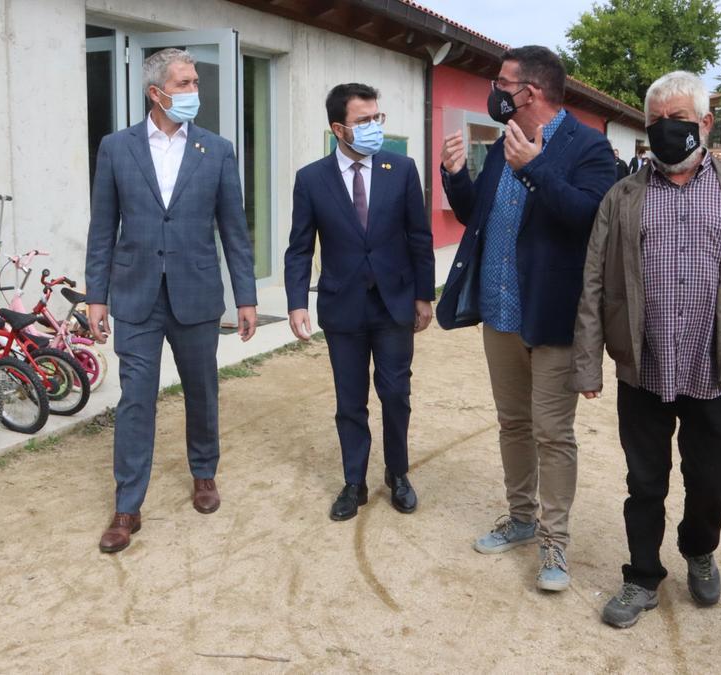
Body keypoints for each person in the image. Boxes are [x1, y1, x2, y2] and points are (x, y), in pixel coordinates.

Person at [571, 71, 721, 628]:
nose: (666, 131)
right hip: (644, 368)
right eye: (655, 122)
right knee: (645, 482)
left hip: (716, 371)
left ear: (706, 123)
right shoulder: (622, 197)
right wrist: (589, 362)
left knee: (711, 481)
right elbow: (593, 282)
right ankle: (640, 577)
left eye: (678, 120)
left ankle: (699, 548)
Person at [437, 46, 615, 591]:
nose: (496, 91)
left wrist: (533, 169)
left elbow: (590, 218)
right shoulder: (504, 141)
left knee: (552, 432)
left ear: (530, 91)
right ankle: (519, 518)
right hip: (500, 314)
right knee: (513, 423)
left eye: (501, 83)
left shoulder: (590, 147)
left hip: (553, 319)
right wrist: (456, 178)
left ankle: (554, 544)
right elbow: (479, 215)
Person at [84, 48, 258, 554]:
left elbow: (234, 229)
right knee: (136, 399)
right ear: (155, 93)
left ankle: (204, 473)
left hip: (197, 293)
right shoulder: (117, 148)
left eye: (195, 82)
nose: (193, 92)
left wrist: (245, 296)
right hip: (135, 294)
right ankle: (127, 507)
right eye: (184, 84)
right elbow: (102, 228)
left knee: (202, 389)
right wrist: (97, 294)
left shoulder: (217, 150)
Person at [284, 83, 435, 521]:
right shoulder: (311, 179)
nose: (374, 127)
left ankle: (399, 474)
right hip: (342, 305)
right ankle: (354, 482)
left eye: (377, 118)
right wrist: (297, 302)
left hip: (394, 304)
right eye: (363, 121)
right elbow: (299, 247)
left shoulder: (401, 169)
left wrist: (423, 296)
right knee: (350, 400)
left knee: (396, 393)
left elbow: (419, 238)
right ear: (338, 128)